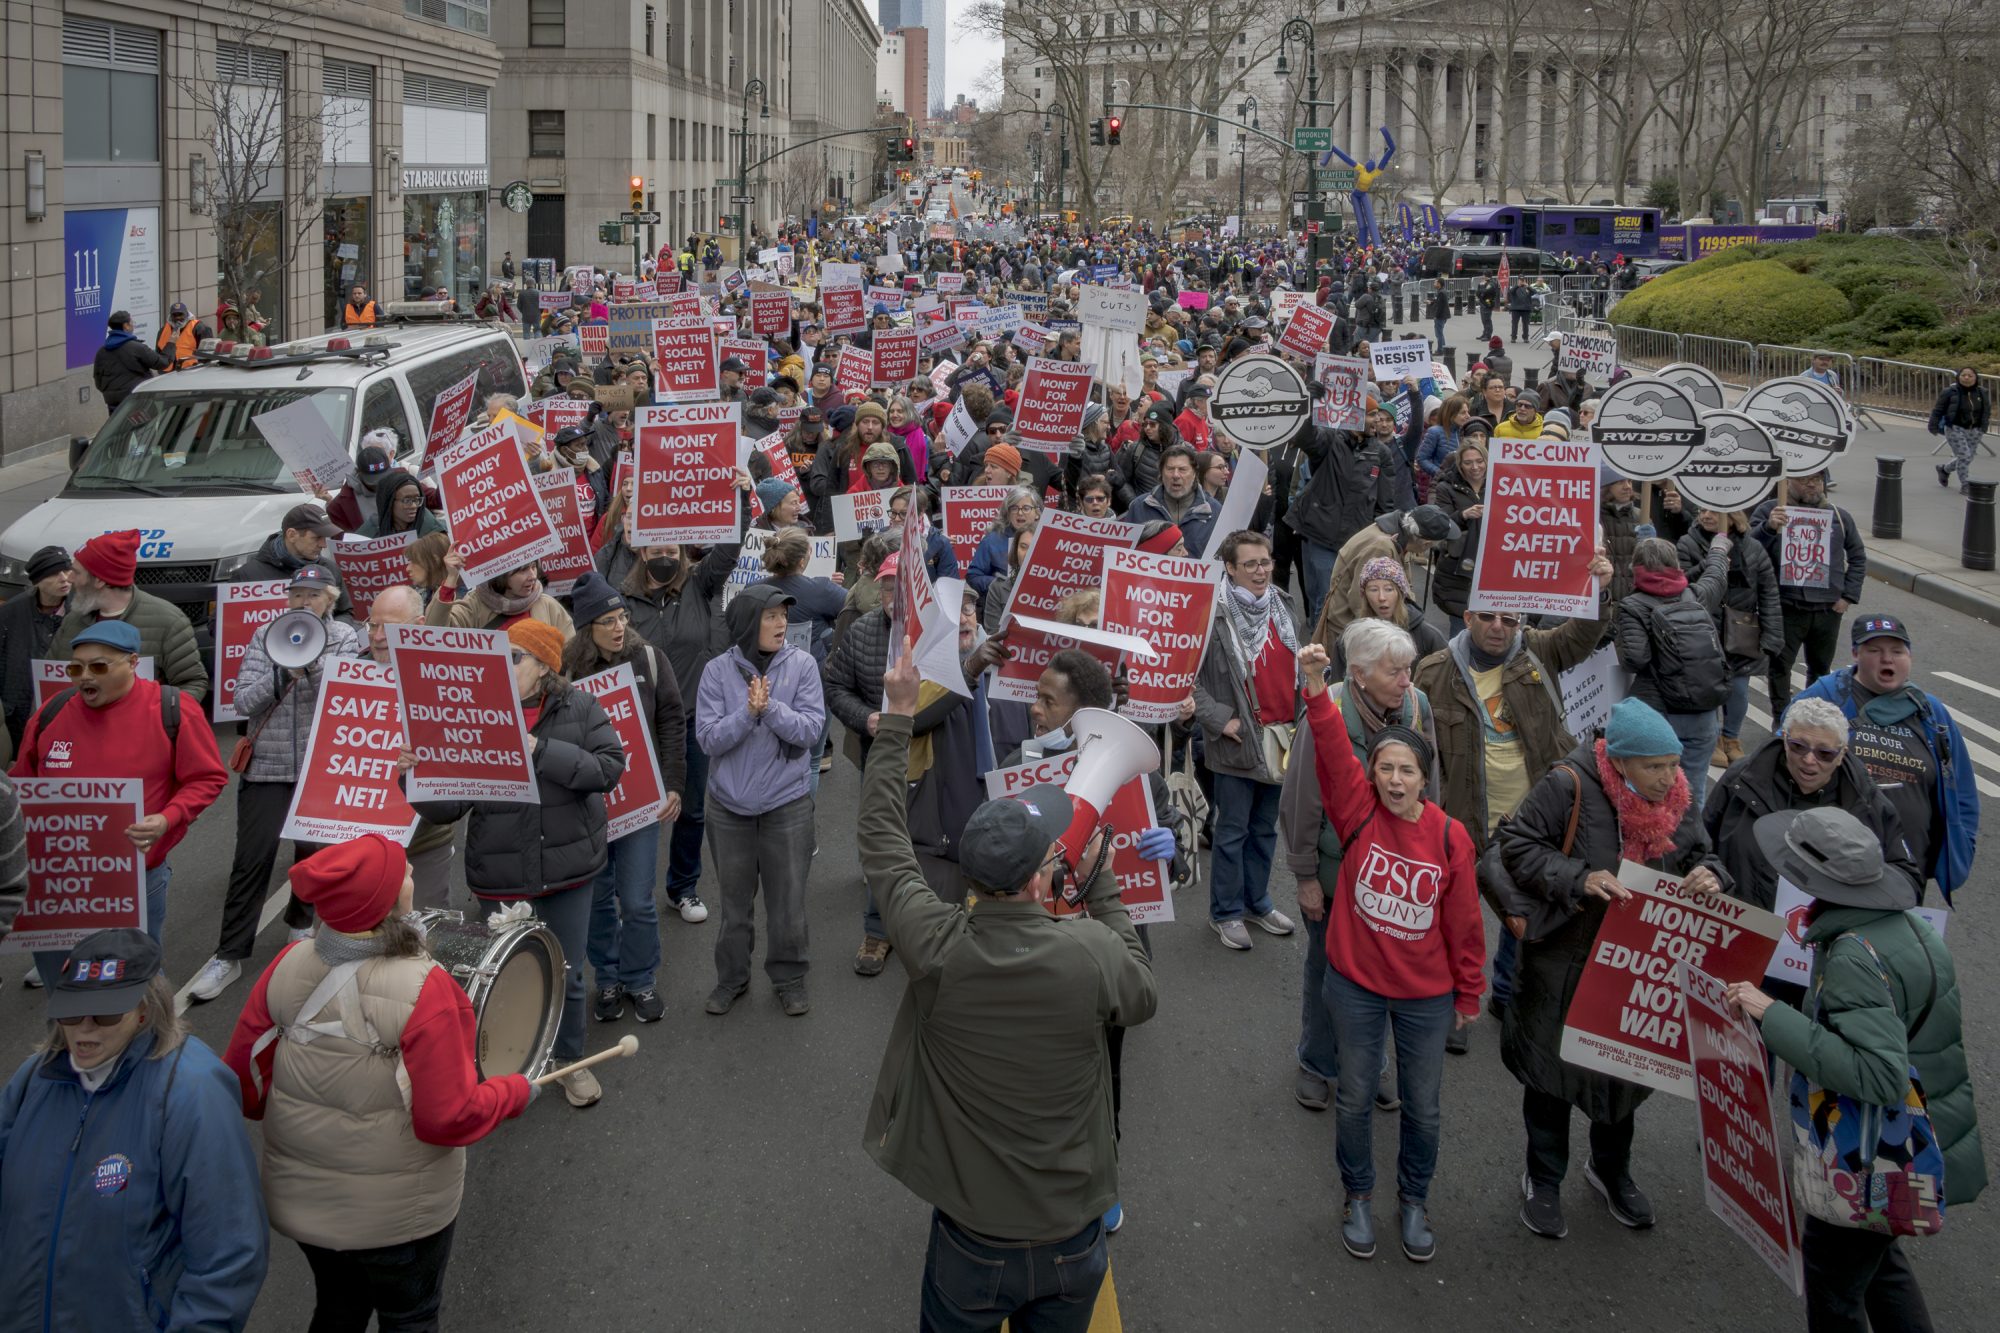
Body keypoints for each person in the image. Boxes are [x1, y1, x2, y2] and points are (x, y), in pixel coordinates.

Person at [860, 642, 1154, 1331]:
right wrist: (1098, 872)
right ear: (1038, 879)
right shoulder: (1090, 952)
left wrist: (899, 714)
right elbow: (1141, 989)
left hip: (972, 1238)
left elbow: (880, 837)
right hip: (1072, 1234)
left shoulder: (934, 945)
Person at [222, 835, 533, 1332]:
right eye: (405, 874)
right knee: (409, 1316)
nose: (413, 877)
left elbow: (244, 1085)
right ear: (390, 902)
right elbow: (447, 1119)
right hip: (399, 1218)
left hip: (302, 1204)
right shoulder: (428, 987)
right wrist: (514, 1092)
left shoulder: (284, 967)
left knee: (339, 1307)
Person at [1726, 809, 1983, 1332]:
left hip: (1865, 1159)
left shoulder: (1851, 954)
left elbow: (1878, 1073)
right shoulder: (1908, 928)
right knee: (1880, 1263)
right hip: (1914, 1149)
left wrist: (1771, 1014)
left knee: (1836, 1290)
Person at [1496, 697, 1729, 1240]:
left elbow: (1702, 855)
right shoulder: (1566, 786)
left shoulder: (1677, 797)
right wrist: (1579, 878)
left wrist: (1712, 876)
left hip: (1634, 970)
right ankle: (1544, 1179)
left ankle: (1610, 1170)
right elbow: (1516, 846)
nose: (1668, 777)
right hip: (1565, 961)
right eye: (1654, 766)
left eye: (1673, 764)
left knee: (1623, 1074)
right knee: (1553, 1078)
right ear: (1619, 761)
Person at [1295, 639, 1482, 1262]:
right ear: (1371, 774)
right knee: (1352, 1095)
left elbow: (1464, 925)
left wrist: (1469, 992)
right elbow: (1327, 744)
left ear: (1424, 779)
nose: (1394, 780)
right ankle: (1358, 1195)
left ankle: (1414, 1200)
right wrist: (1317, 686)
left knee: (1423, 1109)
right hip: (1354, 987)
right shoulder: (1356, 811)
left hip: (1426, 998)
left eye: (1407, 771)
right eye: (1385, 769)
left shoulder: (1450, 838)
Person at [0, 928, 268, 1330]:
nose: (85, 1029)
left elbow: (228, 1252)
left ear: (145, 1012)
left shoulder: (193, 1092)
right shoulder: (34, 1079)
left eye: (106, 1013)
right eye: (72, 1012)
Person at [408, 620, 627, 1108]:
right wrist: (415, 777)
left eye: (515, 658)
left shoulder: (581, 707)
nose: (503, 668)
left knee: (567, 973)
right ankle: (506, 1070)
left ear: (546, 666)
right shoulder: (475, 715)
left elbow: (608, 770)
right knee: (501, 977)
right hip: (501, 875)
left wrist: (540, 749)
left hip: (568, 872)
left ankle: (569, 1065)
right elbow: (447, 808)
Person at [1282, 619, 1442, 1107]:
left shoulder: (1416, 707)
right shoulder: (1325, 712)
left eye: (1408, 669)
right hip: (1336, 875)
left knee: (1384, 974)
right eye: (1395, 672)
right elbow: (1301, 801)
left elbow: (1431, 790)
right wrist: (1305, 875)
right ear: (1358, 673)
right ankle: (1317, 1062)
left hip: (1394, 877)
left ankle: (1371, 1066)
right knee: (1327, 972)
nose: (1406, 681)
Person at [10, 621, 228, 976]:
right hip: (58, 882)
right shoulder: (52, 711)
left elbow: (207, 778)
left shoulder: (172, 708)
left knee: (132, 988)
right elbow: (22, 783)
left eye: (98, 666)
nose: (84, 677)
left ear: (131, 663)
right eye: (76, 668)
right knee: (62, 990)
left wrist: (168, 818)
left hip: (136, 880)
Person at [188, 564, 363, 1003]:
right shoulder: (266, 635)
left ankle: (300, 924)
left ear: (331, 599)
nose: (303, 602)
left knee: (312, 854)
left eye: (314, 595)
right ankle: (229, 953)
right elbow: (240, 699)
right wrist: (281, 672)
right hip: (267, 766)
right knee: (253, 858)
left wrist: (313, 664)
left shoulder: (342, 636)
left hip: (319, 767)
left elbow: (347, 696)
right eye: (297, 594)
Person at [695, 584, 825, 1018]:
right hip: (728, 808)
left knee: (787, 904)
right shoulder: (716, 672)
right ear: (749, 622)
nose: (780, 623)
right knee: (734, 907)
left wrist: (769, 710)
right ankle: (731, 978)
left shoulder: (803, 665)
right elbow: (709, 739)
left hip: (786, 805)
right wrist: (747, 714)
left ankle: (789, 978)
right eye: (769, 616)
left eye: (783, 616)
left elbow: (811, 732)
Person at [563, 573, 686, 1024]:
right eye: (606, 621)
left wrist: (673, 784)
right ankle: (609, 978)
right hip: (589, 807)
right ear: (586, 629)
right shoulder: (568, 672)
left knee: (636, 900)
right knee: (598, 900)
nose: (619, 628)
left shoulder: (649, 660)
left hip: (640, 805)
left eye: (622, 618)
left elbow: (672, 722)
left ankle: (640, 978)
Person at [1796, 615, 1979, 903]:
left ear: (1909, 656)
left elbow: (1962, 789)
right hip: (1831, 866)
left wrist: (1962, 841)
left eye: (1897, 651)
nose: (1887, 660)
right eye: (1875, 651)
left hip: (1906, 872)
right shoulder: (1825, 699)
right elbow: (1784, 765)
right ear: (1856, 654)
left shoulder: (1931, 712)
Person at [1704, 697, 1917, 913]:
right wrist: (1711, 871)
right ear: (1785, 740)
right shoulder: (1741, 779)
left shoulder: (1866, 801)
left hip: (1821, 937)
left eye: (1824, 753)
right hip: (1741, 923)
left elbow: (1905, 880)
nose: (1809, 759)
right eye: (1798, 747)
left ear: (1842, 754)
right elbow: (1699, 845)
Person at [1193, 531, 1301, 950]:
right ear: (1231, 569)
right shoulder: (1210, 614)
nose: (1261, 571)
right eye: (1251, 564)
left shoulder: (1283, 603)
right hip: (1237, 740)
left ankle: (1257, 903)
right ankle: (1226, 912)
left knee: (1264, 830)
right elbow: (1189, 681)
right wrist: (1223, 721)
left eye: (1266, 562)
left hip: (1281, 736)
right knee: (1232, 831)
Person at [1613, 535, 1730, 805]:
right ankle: (1691, 844)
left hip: (1659, 713)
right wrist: (1719, 548)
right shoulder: (1696, 596)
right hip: (1704, 709)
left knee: (1652, 793)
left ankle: (1657, 844)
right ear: (1676, 565)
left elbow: (1636, 659)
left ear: (1636, 568)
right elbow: (1716, 575)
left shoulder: (1634, 606)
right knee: (1693, 789)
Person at [1751, 468, 1865, 716]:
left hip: (1827, 609)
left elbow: (1857, 557)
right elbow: (1749, 549)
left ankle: (1812, 717)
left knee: (1820, 668)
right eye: (1804, 480)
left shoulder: (1839, 516)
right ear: (1787, 482)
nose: (1812, 485)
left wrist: (1847, 596)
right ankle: (1782, 717)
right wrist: (1769, 527)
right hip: (1787, 606)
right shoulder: (1771, 511)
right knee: (1780, 666)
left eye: (1817, 480)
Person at [1677, 507, 1782, 769]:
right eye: (1701, 510)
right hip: (1705, 629)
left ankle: (1731, 738)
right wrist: (1713, 558)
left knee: (1739, 692)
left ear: (1733, 517)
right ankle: (1711, 739)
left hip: (1741, 632)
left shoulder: (1754, 548)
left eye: (1713, 511)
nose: (1705, 516)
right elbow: (1681, 582)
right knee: (1708, 689)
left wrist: (1772, 635)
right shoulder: (1688, 543)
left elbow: (1768, 592)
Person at [49, 529, 208, 702]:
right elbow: (48, 681)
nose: (70, 579)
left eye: (77, 572)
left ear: (100, 580)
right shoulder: (73, 620)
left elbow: (192, 683)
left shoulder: (168, 621)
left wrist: (159, 717)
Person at [1317, 504, 1459, 644]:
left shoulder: (1400, 536)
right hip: (1354, 634)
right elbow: (1359, 600)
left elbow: (1404, 588)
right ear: (1426, 543)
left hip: (1361, 630)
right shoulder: (1382, 547)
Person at [232, 503, 355, 619]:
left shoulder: (330, 569)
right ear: (292, 535)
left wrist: (328, 631)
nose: (323, 545)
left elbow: (345, 613)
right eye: (317, 538)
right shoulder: (248, 575)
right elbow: (224, 626)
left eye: (325, 538)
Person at [0, 545, 70, 744]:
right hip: (17, 714)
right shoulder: (10, 614)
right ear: (38, 581)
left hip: (63, 710)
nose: (64, 578)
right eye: (55, 573)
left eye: (67, 570)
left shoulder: (82, 612)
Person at [426, 559, 575, 635]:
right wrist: (452, 577)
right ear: (501, 574)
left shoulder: (548, 605)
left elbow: (570, 657)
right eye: (522, 571)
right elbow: (435, 632)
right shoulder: (475, 605)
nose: (532, 576)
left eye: (533, 567)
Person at [1124, 444, 1219, 558]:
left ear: (1194, 473)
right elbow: (1126, 553)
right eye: (1170, 469)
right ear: (1161, 473)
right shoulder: (1139, 507)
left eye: (1182, 469)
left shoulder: (1215, 511)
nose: (1175, 475)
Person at [92, 309, 170, 410]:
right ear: (126, 326)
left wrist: (111, 392)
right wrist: (171, 344)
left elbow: (98, 380)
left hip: (113, 403)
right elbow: (163, 363)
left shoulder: (101, 351)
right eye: (132, 322)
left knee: (118, 426)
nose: (133, 325)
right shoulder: (136, 348)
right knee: (146, 425)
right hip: (137, 400)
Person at [1929, 365, 1990, 494]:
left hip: (1975, 429)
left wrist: (1983, 427)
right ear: (1958, 377)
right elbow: (1938, 410)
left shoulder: (1981, 392)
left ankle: (1944, 469)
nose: (1966, 378)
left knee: (1968, 457)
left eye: (1970, 376)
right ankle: (1965, 484)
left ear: (1975, 378)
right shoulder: (1950, 391)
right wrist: (1933, 425)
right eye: (1963, 375)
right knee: (1964, 455)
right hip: (1955, 428)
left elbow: (1986, 411)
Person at [359, 466, 447, 539]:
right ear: (389, 502)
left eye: (417, 499)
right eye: (407, 500)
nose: (413, 506)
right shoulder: (370, 532)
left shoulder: (435, 531)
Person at [154, 301, 212, 371]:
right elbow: (158, 354)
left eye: (180, 314)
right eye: (174, 315)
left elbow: (208, 354)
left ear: (187, 314)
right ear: (170, 316)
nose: (177, 318)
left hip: (191, 370)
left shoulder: (198, 327)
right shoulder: (162, 331)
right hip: (167, 372)